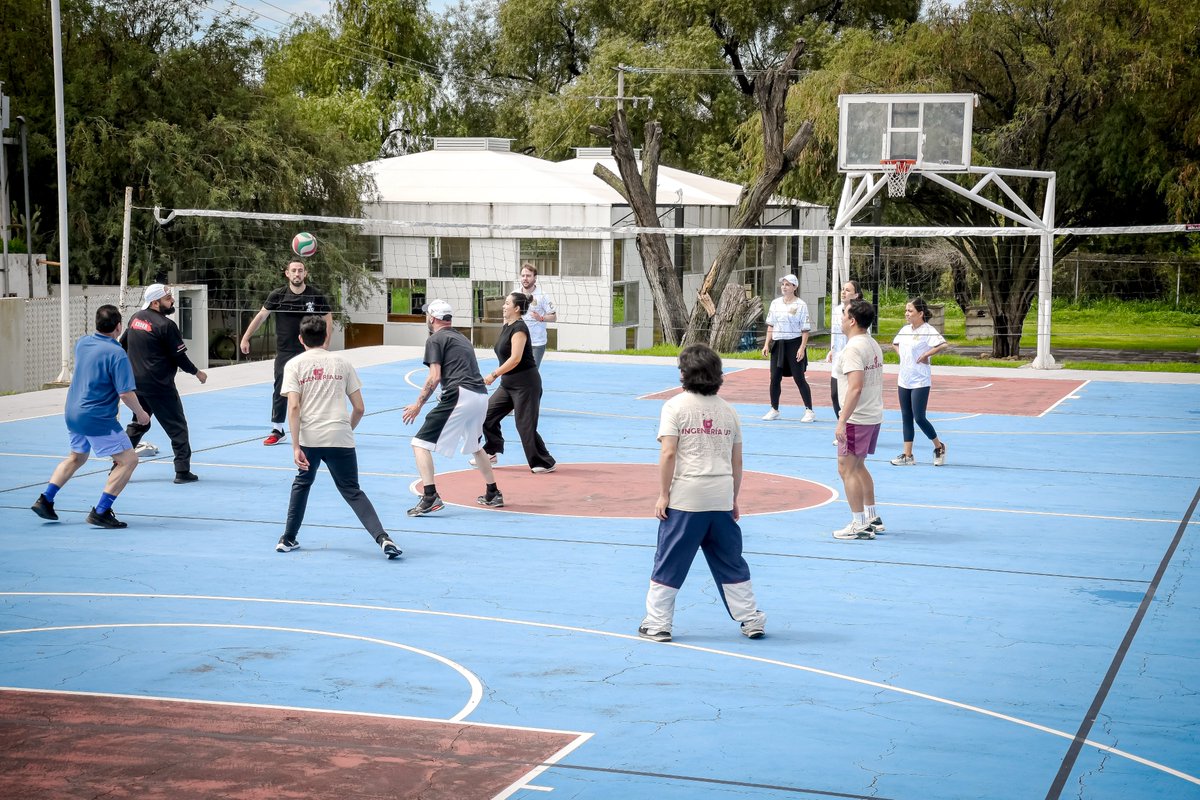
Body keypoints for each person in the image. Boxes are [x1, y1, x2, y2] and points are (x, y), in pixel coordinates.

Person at [639, 344, 767, 643]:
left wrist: (663, 494)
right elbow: (737, 461)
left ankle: (658, 623)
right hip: (720, 495)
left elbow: (669, 452)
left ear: (684, 373)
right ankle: (751, 619)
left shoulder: (674, 406)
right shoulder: (729, 411)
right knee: (730, 560)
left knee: (670, 559)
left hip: (687, 496)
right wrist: (733, 498)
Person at [275, 316, 400, 559]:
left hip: (310, 439)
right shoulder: (343, 363)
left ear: (300, 339)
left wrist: (295, 446)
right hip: (340, 436)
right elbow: (360, 408)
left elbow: (294, 407)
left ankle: (288, 538)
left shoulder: (294, 365)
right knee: (352, 490)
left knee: (302, 484)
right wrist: (345, 430)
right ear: (326, 337)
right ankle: (383, 538)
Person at [31, 305, 150, 529]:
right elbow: (125, 393)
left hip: (73, 412)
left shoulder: (82, 343)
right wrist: (142, 415)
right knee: (129, 460)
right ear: (119, 327)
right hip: (97, 417)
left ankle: (45, 499)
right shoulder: (117, 353)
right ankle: (101, 511)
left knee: (77, 457)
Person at [402, 299, 503, 515]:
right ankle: (493, 492)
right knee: (476, 446)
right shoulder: (462, 338)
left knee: (419, 443)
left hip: (461, 395)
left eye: (427, 315)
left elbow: (434, 377)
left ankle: (430, 496)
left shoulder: (435, 339)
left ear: (432, 318)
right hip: (480, 395)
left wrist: (418, 405)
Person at [120, 284, 207, 484]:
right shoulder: (166, 325)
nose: (172, 301)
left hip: (137, 384)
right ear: (155, 302)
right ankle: (182, 471)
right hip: (160, 386)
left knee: (139, 423)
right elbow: (180, 358)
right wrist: (197, 372)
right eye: (168, 299)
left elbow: (122, 345)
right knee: (177, 428)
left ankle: (118, 466)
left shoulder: (135, 319)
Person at [240, 261, 333, 446]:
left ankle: (315, 427)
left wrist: (325, 344)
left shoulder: (315, 295)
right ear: (287, 274)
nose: (297, 273)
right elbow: (261, 316)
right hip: (285, 351)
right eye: (294, 270)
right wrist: (245, 338)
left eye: (300, 270)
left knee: (314, 388)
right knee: (281, 389)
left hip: (310, 349)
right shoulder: (278, 295)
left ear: (305, 273)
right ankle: (278, 429)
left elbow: (328, 318)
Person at [480, 292, 557, 473]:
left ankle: (545, 462)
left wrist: (493, 374)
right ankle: (491, 451)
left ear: (516, 308)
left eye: (507, 303)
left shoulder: (520, 329)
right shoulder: (507, 325)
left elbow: (515, 359)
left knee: (525, 426)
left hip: (526, 384)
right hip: (508, 385)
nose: (503, 306)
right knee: (486, 415)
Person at [832, 299, 887, 540]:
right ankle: (872, 517)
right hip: (872, 414)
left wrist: (842, 420)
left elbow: (855, 387)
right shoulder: (872, 343)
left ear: (852, 321)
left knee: (846, 468)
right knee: (859, 466)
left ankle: (859, 523)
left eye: (844, 314)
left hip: (858, 417)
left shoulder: (853, 349)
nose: (841, 318)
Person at [890, 296, 951, 467]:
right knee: (906, 416)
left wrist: (926, 354)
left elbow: (943, 344)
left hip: (920, 380)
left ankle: (939, 447)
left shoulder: (927, 330)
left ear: (920, 313)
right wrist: (902, 354)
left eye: (910, 311)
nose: (906, 313)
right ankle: (908, 455)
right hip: (904, 379)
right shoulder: (905, 329)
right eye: (906, 310)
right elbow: (894, 343)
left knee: (919, 417)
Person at [760, 273, 815, 422]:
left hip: (794, 343)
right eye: (783, 284)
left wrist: (802, 348)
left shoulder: (801, 305)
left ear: (794, 287)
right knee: (774, 378)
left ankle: (809, 410)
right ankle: (774, 409)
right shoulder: (775, 303)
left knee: (799, 378)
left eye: (788, 284)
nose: (784, 287)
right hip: (778, 344)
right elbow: (771, 325)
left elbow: (805, 330)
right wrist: (766, 344)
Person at [826, 279, 863, 423]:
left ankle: (850, 427)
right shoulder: (836, 310)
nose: (843, 292)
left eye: (848, 290)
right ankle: (842, 425)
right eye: (843, 289)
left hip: (852, 359)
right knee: (835, 395)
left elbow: (864, 335)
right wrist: (832, 349)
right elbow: (835, 333)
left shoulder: (860, 312)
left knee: (849, 396)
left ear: (856, 295)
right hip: (838, 358)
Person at [518, 263, 556, 367]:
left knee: (531, 372)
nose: (525, 278)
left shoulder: (543, 296)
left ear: (535, 278)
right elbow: (507, 316)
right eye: (523, 275)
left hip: (536, 343)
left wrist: (541, 318)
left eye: (528, 276)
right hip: (518, 340)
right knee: (517, 372)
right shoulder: (515, 294)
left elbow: (553, 317)